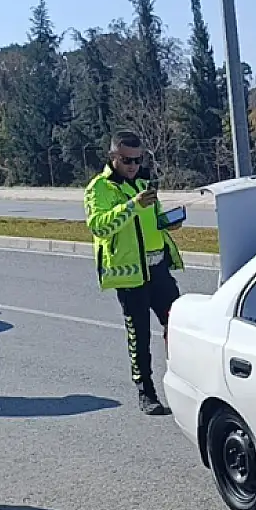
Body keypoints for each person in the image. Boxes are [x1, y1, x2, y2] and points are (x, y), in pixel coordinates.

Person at [85, 131, 185, 416]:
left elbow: (153, 220)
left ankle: (184, 383)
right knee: (139, 336)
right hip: (131, 275)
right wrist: (132, 205)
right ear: (113, 157)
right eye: (127, 160)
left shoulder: (142, 183)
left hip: (158, 269)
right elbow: (99, 226)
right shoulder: (99, 188)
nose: (133, 165)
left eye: (138, 159)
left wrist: (168, 222)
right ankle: (146, 392)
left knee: (179, 328)